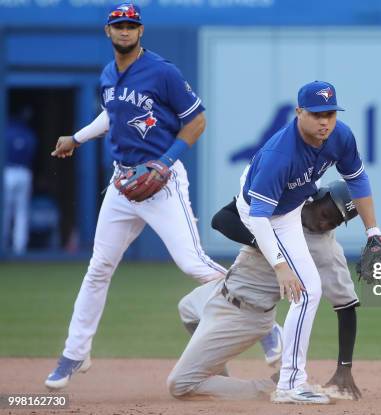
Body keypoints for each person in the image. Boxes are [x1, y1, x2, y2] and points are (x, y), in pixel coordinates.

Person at [43, 2, 286, 390]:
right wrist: (77, 137)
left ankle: (265, 325)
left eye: (131, 25)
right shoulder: (108, 74)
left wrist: (165, 162)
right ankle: (74, 353)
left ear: (141, 31)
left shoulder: (162, 71)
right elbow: (113, 115)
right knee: (98, 267)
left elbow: (197, 120)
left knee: (194, 263)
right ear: (108, 32)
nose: (125, 31)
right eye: (118, 25)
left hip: (162, 183)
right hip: (123, 185)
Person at [236, 80, 381, 404]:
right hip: (259, 211)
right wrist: (280, 266)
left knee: (309, 291)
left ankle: (291, 383)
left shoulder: (340, 135)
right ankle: (290, 384)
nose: (325, 121)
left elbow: (357, 178)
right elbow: (261, 216)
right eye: (317, 113)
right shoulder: (281, 153)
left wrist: (372, 231)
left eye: (330, 113)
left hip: (290, 209)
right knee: (304, 290)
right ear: (299, 112)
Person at [167, 180, 362, 401]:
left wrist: (344, 367)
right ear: (315, 198)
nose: (325, 223)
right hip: (221, 290)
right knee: (187, 309)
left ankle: (269, 387)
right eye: (327, 213)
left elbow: (346, 306)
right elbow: (221, 220)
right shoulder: (280, 207)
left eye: (335, 222)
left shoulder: (327, 251)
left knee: (180, 384)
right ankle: (232, 362)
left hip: (245, 315)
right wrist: (263, 243)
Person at [3, 113, 37, 255]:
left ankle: (3, 245)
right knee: (21, 211)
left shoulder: (6, 133)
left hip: (8, 172)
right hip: (24, 172)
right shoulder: (29, 135)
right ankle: (19, 247)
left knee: (5, 210)